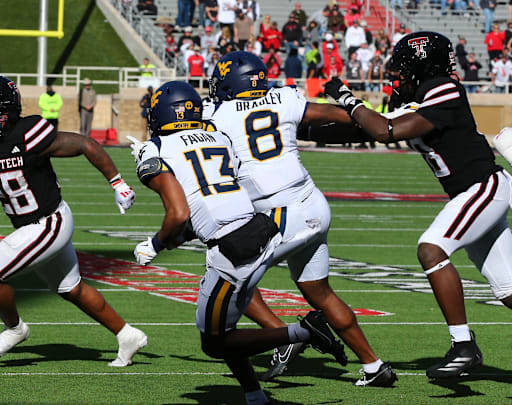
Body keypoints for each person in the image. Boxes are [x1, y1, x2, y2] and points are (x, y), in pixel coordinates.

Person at [130, 80, 346, 404]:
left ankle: (302, 332)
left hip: (231, 253)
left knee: (214, 343)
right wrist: (182, 234)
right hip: (256, 231)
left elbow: (177, 213)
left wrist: (155, 244)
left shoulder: (157, 148)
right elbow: (206, 204)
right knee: (225, 327)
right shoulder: (218, 137)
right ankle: (255, 396)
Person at [323, 31, 512, 379]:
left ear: (423, 67)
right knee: (509, 289)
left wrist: (349, 98)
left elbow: (385, 130)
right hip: (474, 193)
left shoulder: (444, 88)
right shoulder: (425, 98)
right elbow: (363, 129)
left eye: (404, 71)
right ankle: (464, 346)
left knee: (431, 249)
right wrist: (296, 127)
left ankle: (463, 346)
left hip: (483, 188)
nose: (399, 78)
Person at [208, 51, 396, 385]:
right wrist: (373, 120)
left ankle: (289, 336)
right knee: (318, 291)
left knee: (226, 274)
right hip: (313, 203)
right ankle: (374, 365)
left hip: (280, 211)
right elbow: (335, 115)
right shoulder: (283, 97)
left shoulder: (219, 114)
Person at [0, 75, 147, 366]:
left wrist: (117, 182)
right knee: (72, 289)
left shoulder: (28, 133)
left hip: (50, 222)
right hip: (31, 227)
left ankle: (15, 328)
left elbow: (85, 144)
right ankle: (127, 335)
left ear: (11, 110)